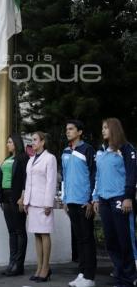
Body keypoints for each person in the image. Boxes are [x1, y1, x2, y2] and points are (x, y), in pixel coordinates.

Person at [93, 118, 137, 287]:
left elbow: (132, 174)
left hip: (120, 199)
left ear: (114, 129)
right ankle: (119, 274)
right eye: (102, 127)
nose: (103, 130)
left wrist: (127, 197)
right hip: (104, 200)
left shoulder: (126, 149)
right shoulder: (102, 151)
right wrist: (96, 197)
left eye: (106, 127)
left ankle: (128, 277)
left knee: (123, 239)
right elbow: (98, 176)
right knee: (111, 240)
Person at [61, 120, 97, 287]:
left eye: (71, 129)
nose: (68, 132)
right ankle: (82, 273)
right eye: (67, 129)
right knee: (79, 239)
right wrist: (65, 199)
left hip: (84, 202)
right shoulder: (66, 151)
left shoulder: (87, 149)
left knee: (87, 238)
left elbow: (94, 175)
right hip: (71, 201)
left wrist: (90, 200)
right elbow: (65, 177)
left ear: (80, 132)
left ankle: (90, 276)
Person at [23, 131, 57, 283]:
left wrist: (49, 203)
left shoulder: (50, 158)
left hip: (44, 202)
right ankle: (39, 267)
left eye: (35, 140)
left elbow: (51, 181)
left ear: (43, 142)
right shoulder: (30, 160)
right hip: (32, 202)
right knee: (36, 234)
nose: (33, 143)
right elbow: (28, 182)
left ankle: (45, 268)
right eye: (32, 140)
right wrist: (26, 201)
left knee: (44, 234)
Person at [0, 134, 29, 276]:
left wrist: (23, 197)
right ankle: (12, 262)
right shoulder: (7, 159)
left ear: (16, 143)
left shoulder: (23, 158)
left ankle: (19, 264)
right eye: (7, 142)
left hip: (16, 197)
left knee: (19, 231)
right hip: (5, 196)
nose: (7, 144)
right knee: (11, 231)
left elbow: (26, 179)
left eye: (9, 142)